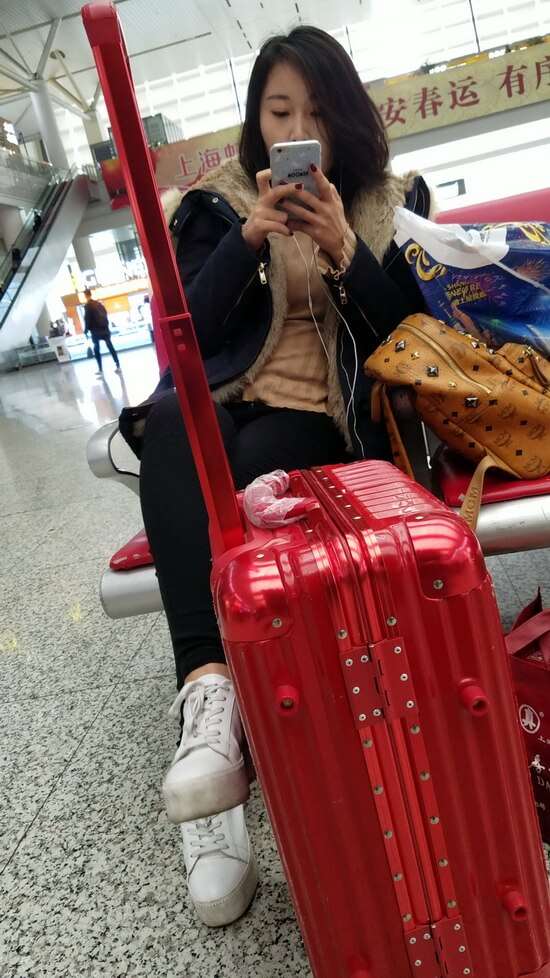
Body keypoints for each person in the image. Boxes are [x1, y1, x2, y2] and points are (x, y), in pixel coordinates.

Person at [119, 25, 431, 928]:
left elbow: (410, 347)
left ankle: (231, 767)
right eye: (280, 111)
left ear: (345, 121)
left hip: (316, 419)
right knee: (179, 429)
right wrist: (246, 239)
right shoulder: (218, 204)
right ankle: (208, 698)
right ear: (257, 120)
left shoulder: (384, 203)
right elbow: (182, 336)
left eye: (316, 114)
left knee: (247, 474)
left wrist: (347, 251)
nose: (297, 131)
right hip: (217, 403)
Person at [83, 288, 122, 377]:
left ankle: (100, 369)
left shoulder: (88, 306)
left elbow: (87, 319)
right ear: (90, 294)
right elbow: (105, 314)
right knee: (110, 347)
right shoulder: (99, 304)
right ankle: (118, 365)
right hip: (104, 329)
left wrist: (86, 330)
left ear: (85, 296)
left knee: (96, 349)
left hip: (95, 331)